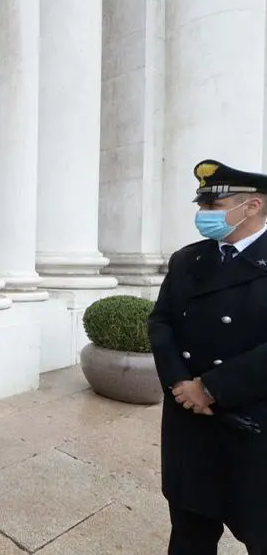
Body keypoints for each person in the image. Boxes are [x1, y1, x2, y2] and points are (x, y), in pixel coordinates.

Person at [148, 160, 267, 555]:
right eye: (201, 206)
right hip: (190, 422)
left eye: (214, 207)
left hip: (250, 424)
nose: (203, 216)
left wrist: (211, 387)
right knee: (190, 532)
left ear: (252, 206)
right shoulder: (188, 260)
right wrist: (181, 384)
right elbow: (161, 322)